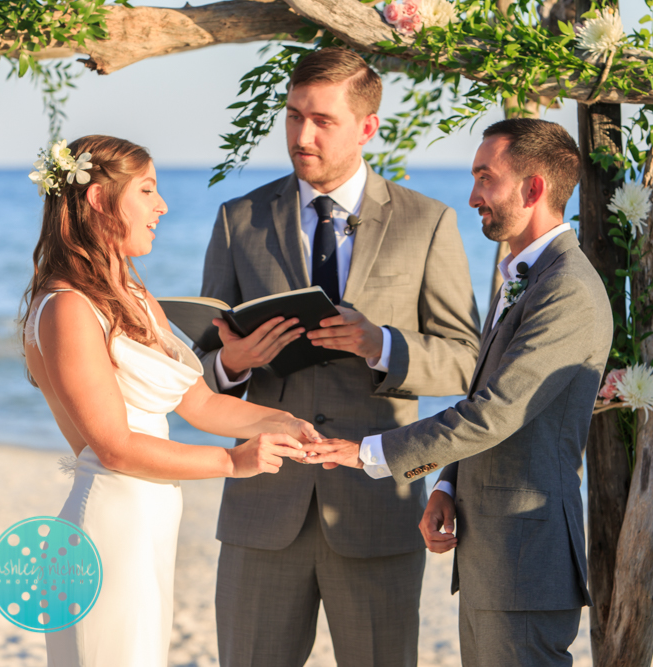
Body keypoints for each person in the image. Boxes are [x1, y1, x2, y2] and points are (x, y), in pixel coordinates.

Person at [199, 48, 480, 667]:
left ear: (367, 127)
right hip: (261, 509)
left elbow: (467, 361)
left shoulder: (427, 222)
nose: (302, 135)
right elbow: (201, 370)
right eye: (294, 115)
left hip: (377, 507)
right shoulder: (237, 220)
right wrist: (234, 363)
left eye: (322, 120)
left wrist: (380, 344)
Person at [306, 118, 612, 667]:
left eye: (485, 178)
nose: (472, 196)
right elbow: (491, 398)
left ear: (533, 188)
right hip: (492, 551)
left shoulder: (567, 287)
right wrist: (448, 481)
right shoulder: (525, 274)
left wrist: (367, 452)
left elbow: (494, 414)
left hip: (527, 557)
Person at [20, 135, 321, 667]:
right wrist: (232, 461)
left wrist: (285, 422)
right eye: (147, 190)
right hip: (109, 525)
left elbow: (201, 405)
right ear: (98, 200)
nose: (162, 206)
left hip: (150, 522)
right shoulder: (66, 307)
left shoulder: (135, 299)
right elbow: (112, 446)